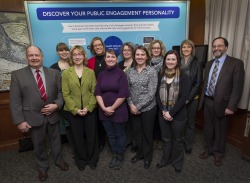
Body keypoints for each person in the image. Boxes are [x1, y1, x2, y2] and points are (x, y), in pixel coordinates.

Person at [9, 46, 69, 182]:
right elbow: (15, 100)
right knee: (38, 143)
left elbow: (61, 93)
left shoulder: (54, 73)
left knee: (56, 140)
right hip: (32, 117)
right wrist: (20, 121)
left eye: (37, 55)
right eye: (31, 55)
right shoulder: (17, 75)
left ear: (42, 57)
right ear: (27, 58)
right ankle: (42, 167)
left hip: (53, 115)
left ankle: (59, 161)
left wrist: (57, 105)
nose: (34, 58)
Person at [198, 37, 245, 166]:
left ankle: (218, 153)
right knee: (208, 128)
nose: (216, 48)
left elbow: (238, 87)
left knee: (220, 130)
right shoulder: (209, 63)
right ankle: (208, 149)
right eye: (214, 46)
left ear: (226, 47)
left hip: (223, 104)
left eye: (220, 46)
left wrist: (231, 106)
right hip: (207, 101)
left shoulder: (236, 63)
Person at [62, 45, 99, 171]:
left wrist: (89, 107)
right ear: (72, 57)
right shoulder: (66, 73)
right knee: (77, 137)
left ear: (84, 56)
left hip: (89, 110)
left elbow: (95, 92)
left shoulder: (90, 72)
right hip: (73, 111)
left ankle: (93, 159)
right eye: (75, 54)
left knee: (91, 136)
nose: (77, 56)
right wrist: (75, 109)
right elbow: (65, 94)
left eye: (80, 54)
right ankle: (81, 160)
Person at [95, 49, 130, 170]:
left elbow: (123, 94)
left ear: (116, 59)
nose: (110, 59)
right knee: (110, 134)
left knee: (120, 134)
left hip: (118, 110)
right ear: (105, 59)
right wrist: (104, 107)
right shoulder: (101, 74)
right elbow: (97, 93)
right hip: (104, 110)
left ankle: (120, 156)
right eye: (108, 57)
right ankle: (114, 154)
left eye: (113, 57)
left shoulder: (121, 74)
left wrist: (112, 108)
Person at [155, 50, 189, 174]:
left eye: (173, 59)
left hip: (178, 115)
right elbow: (157, 95)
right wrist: (164, 111)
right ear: (165, 61)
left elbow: (184, 96)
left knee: (178, 140)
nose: (170, 62)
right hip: (163, 114)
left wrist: (171, 113)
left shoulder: (183, 75)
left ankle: (177, 162)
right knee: (166, 139)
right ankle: (165, 160)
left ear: (177, 61)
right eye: (168, 59)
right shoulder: (160, 74)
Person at [127, 45, 158, 169]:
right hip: (133, 107)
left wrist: (137, 106)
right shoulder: (130, 71)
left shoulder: (152, 71)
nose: (139, 57)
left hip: (148, 109)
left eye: (142, 55)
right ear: (134, 56)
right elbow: (127, 89)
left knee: (147, 134)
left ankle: (147, 157)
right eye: (137, 54)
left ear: (146, 56)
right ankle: (140, 154)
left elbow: (151, 93)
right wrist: (130, 104)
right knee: (137, 133)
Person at [50, 42, 76, 156]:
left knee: (77, 124)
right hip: (63, 101)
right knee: (68, 125)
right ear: (57, 52)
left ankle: (80, 144)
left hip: (76, 99)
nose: (64, 52)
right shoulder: (53, 68)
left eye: (66, 50)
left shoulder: (74, 63)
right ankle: (74, 147)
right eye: (61, 50)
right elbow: (53, 87)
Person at [180, 39, 202, 155]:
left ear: (192, 49)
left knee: (190, 123)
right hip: (178, 99)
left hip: (192, 99)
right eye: (184, 47)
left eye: (189, 47)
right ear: (181, 49)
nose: (186, 49)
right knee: (179, 122)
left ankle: (188, 145)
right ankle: (179, 142)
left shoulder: (196, 64)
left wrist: (188, 98)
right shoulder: (177, 61)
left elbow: (198, 83)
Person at [86, 37, 107, 152]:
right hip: (95, 95)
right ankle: (101, 142)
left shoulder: (110, 58)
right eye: (95, 45)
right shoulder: (89, 62)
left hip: (109, 95)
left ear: (103, 46)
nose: (98, 47)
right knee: (98, 120)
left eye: (100, 44)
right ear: (93, 48)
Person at [148, 40, 167, 150]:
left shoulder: (166, 62)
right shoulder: (147, 62)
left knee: (161, 118)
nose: (156, 50)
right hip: (149, 95)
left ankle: (160, 139)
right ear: (150, 49)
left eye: (158, 48)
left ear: (161, 49)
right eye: (153, 48)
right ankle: (153, 138)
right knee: (152, 119)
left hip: (162, 94)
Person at [118, 42, 136, 152]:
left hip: (135, 98)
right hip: (122, 98)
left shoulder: (137, 63)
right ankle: (127, 141)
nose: (126, 52)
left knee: (134, 122)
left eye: (129, 50)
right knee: (125, 121)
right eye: (124, 50)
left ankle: (135, 143)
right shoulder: (119, 65)